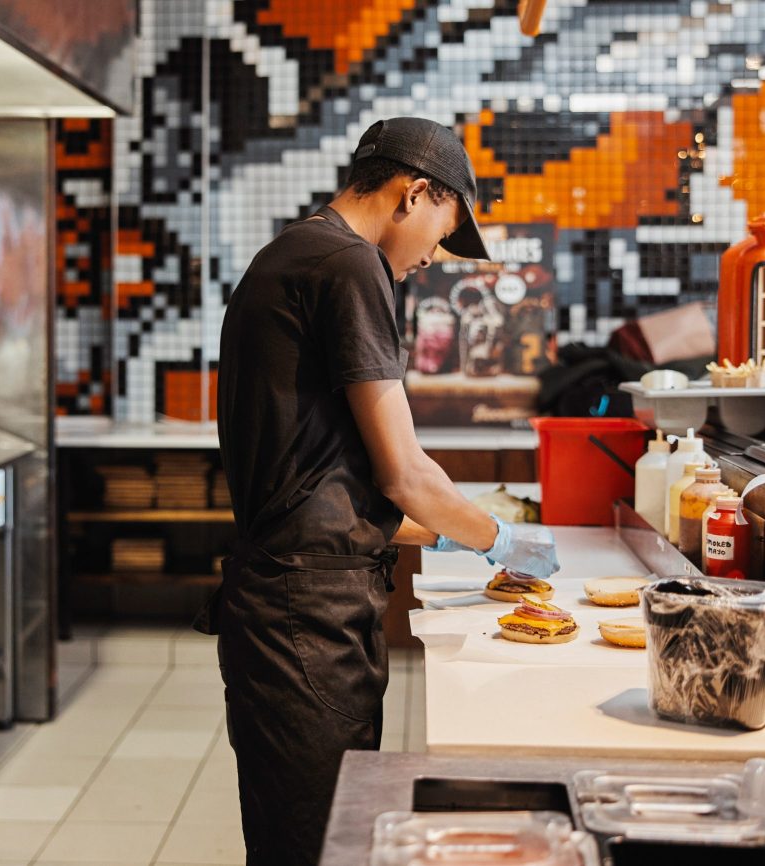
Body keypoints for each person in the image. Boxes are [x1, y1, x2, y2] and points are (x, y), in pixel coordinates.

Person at [203, 116, 562, 866]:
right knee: (319, 845)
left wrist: (442, 533)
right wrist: (500, 538)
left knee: (300, 838)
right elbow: (404, 472)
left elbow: (320, 484)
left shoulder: (293, 254)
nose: (432, 257)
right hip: (308, 619)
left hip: (288, 609)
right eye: (440, 230)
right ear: (413, 192)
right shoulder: (350, 265)